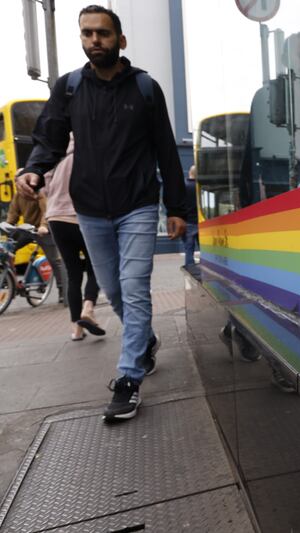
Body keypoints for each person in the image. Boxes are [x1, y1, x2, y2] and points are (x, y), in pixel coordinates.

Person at [16, 5, 187, 422]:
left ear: (120, 40)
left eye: (103, 33)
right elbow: (50, 137)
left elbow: (166, 150)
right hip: (89, 209)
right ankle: (144, 341)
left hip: (138, 205)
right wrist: (34, 169)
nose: (95, 40)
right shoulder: (70, 87)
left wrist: (177, 208)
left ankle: (128, 379)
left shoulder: (145, 88)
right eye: (88, 33)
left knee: (134, 287)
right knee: (112, 289)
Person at [43, 134, 105, 341]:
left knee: (73, 273)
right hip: (82, 218)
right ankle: (88, 308)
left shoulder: (56, 159)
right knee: (95, 266)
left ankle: (76, 330)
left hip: (56, 219)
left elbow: (45, 188)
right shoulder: (89, 154)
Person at [6, 189, 67, 303]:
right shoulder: (18, 194)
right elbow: (13, 213)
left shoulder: (39, 192)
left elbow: (46, 211)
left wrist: (43, 226)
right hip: (28, 229)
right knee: (7, 248)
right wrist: (8, 225)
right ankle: (11, 281)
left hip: (43, 230)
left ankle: (62, 290)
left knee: (54, 260)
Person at [182, 165, 199, 266]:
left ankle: (190, 266)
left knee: (189, 248)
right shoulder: (200, 186)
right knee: (204, 248)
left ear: (189, 172)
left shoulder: (184, 185)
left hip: (187, 221)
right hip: (201, 221)